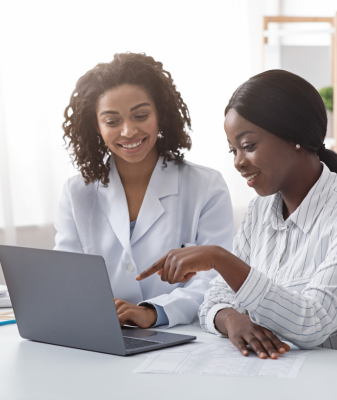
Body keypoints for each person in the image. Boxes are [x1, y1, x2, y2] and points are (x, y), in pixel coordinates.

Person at [137, 69, 337, 359]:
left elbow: (312, 323)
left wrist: (219, 257)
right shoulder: (259, 210)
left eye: (248, 146)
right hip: (289, 373)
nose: (239, 162)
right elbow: (215, 299)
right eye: (233, 151)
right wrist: (232, 320)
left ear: (295, 137)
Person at [55, 52, 233, 328]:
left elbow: (217, 280)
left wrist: (154, 312)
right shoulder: (76, 192)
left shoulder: (205, 186)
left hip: (181, 338)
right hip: (103, 334)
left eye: (140, 115)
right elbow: (65, 278)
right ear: (96, 126)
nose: (128, 131)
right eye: (112, 121)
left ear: (160, 114)